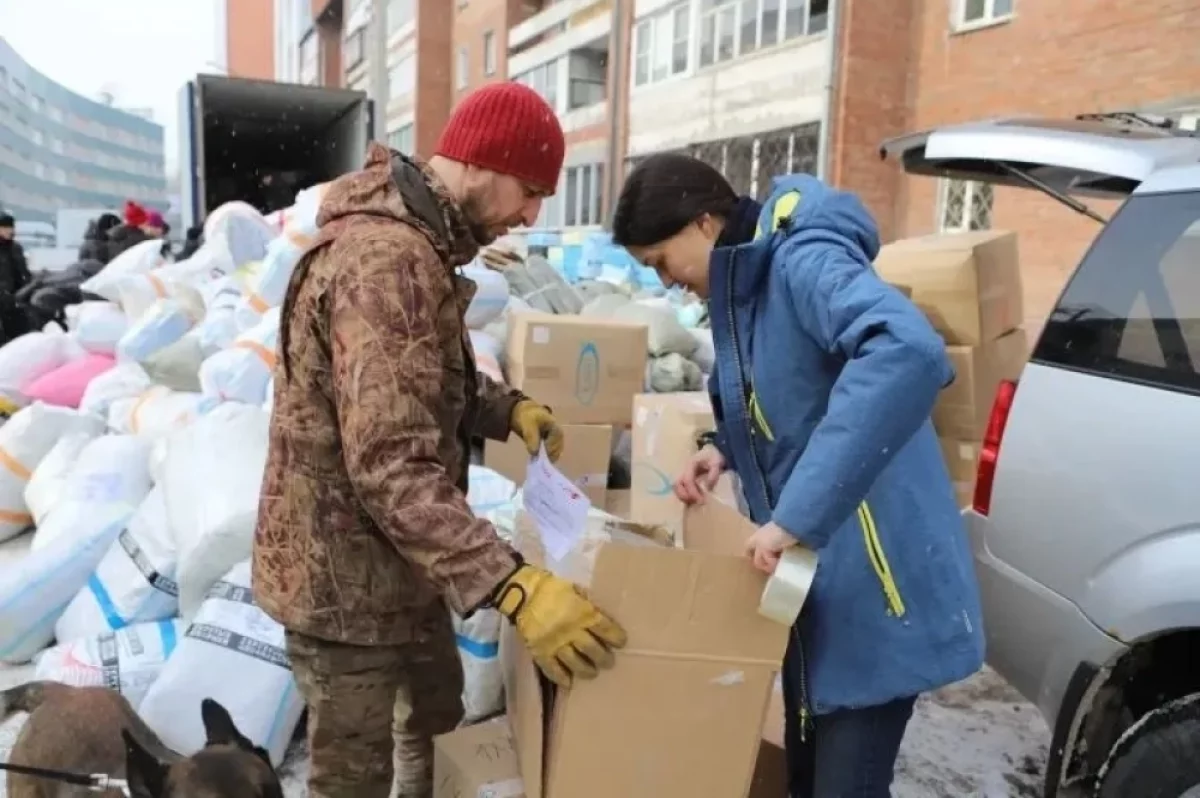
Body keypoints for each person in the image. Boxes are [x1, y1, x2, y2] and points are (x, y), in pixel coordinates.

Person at [252, 81, 627, 798]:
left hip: (403, 565)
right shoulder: (386, 260)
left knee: (434, 724)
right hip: (344, 586)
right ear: (480, 162)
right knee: (353, 781)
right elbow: (389, 463)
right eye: (530, 191)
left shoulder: (420, 247)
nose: (532, 215)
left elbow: (412, 381)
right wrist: (513, 585)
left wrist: (505, 409)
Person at [611, 153, 985, 798]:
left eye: (661, 262)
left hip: (875, 584)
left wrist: (796, 517)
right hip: (819, 583)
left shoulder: (802, 261)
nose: (666, 282)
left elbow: (906, 350)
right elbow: (794, 397)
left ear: (703, 223)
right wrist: (725, 447)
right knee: (807, 777)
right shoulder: (746, 287)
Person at [0, 213, 32, 298]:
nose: (9, 231)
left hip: (17, 294)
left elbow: (24, 272)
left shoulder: (16, 248)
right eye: (5, 228)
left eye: (11, 227)